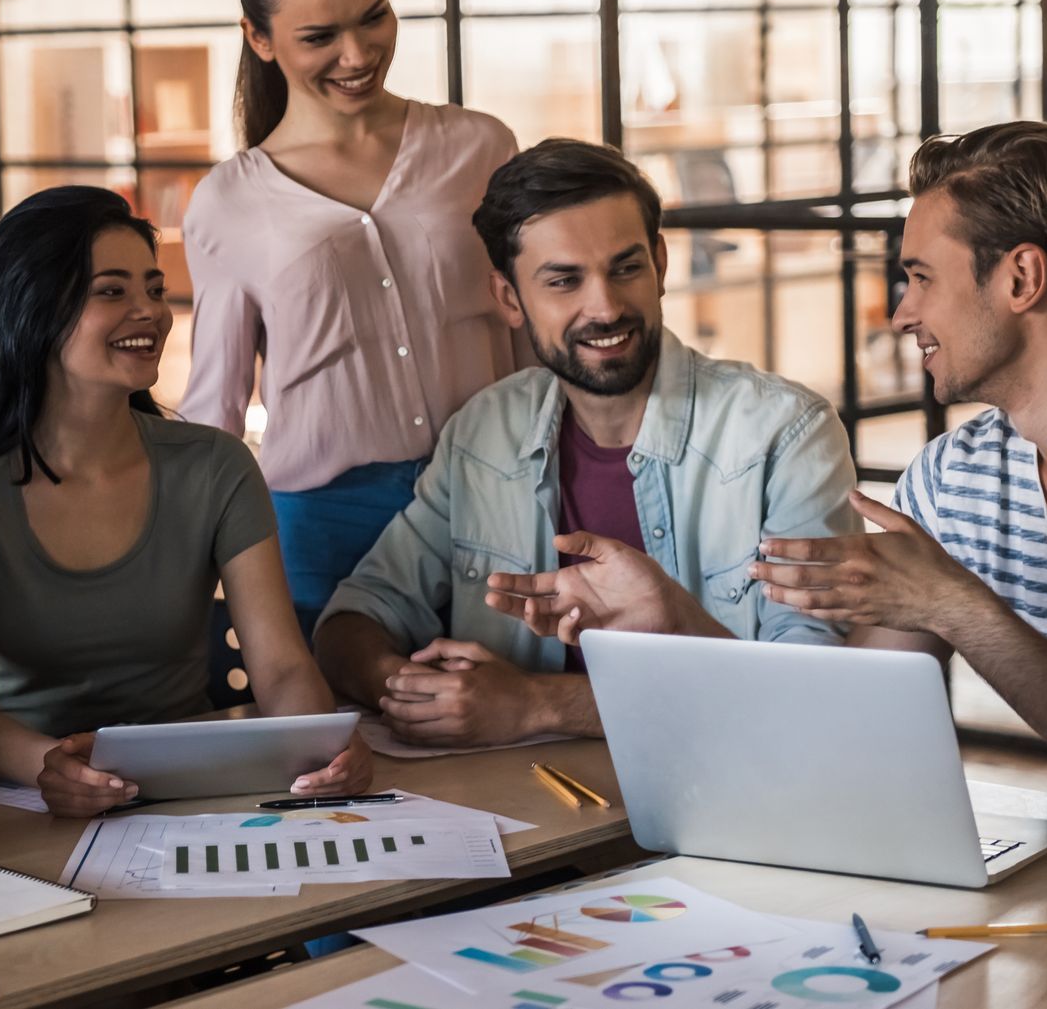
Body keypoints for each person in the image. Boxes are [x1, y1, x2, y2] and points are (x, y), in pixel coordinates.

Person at [506, 122, 1047, 834]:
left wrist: (954, 603)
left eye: (920, 276)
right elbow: (839, 735)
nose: (903, 308)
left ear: (1021, 277)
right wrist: (672, 622)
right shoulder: (956, 477)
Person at [312, 139, 861, 748]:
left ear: (660, 262)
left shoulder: (784, 433)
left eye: (626, 268)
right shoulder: (483, 433)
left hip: (727, 795)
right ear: (508, 299)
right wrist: (411, 691)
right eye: (565, 281)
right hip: (521, 804)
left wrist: (540, 706)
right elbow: (356, 619)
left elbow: (815, 696)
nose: (604, 307)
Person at [0, 187, 370, 818]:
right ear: (33, 307)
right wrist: (55, 767)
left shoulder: (216, 464)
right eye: (112, 291)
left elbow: (285, 669)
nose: (149, 313)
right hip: (28, 796)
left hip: (198, 790)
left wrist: (325, 745)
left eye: (154, 290)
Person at [180, 0, 521, 633]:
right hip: (319, 527)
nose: (358, 54)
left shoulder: (482, 148)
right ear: (259, 37)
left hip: (493, 498)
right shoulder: (227, 203)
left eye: (374, 16)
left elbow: (531, 338)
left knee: (499, 717)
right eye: (320, 36)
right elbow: (215, 414)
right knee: (339, 742)